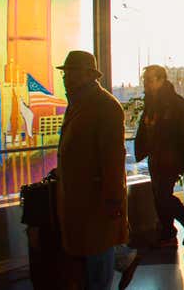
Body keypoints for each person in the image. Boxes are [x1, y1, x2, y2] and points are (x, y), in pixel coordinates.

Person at [55, 51, 128, 289]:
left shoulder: (105, 107)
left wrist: (114, 201)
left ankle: (122, 263)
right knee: (89, 268)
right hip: (80, 205)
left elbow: (113, 160)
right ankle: (123, 262)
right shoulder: (78, 105)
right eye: (65, 74)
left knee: (98, 267)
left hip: (97, 205)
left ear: (88, 75)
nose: (66, 79)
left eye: (72, 73)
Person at [134, 65, 184, 248]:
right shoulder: (152, 103)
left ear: (161, 80)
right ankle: (167, 233)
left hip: (171, 157)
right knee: (159, 195)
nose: (146, 84)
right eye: (145, 80)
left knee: (163, 195)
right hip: (156, 157)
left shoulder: (176, 103)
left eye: (149, 80)